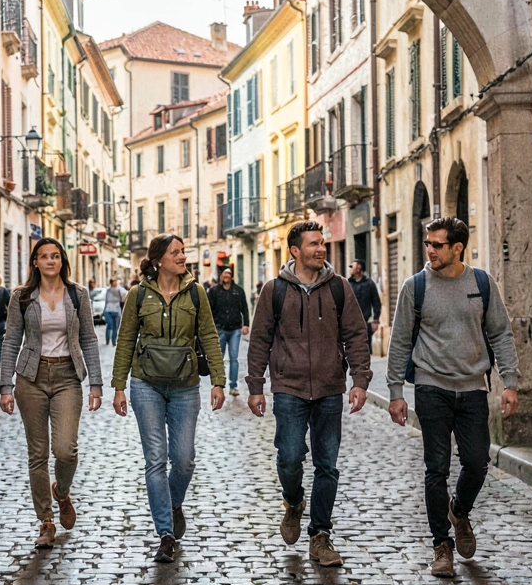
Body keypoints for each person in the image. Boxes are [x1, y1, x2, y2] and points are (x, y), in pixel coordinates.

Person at [385, 217, 519, 578]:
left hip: (474, 387)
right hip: (431, 388)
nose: (430, 250)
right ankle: (441, 545)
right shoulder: (416, 287)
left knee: (477, 462)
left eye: (437, 244)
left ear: (457, 247)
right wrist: (396, 391)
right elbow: (399, 342)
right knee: (436, 469)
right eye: (427, 243)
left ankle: (458, 512)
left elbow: (501, 333)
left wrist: (510, 380)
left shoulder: (481, 283)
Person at [246, 222, 372, 567]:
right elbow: (259, 340)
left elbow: (356, 335)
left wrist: (360, 380)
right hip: (289, 387)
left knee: (327, 465)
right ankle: (294, 500)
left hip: (330, 388)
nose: (321, 249)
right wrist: (255, 386)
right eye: (314, 244)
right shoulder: (274, 290)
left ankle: (320, 536)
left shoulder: (339, 288)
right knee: (288, 457)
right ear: (295, 251)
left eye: (323, 243)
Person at [112, 233, 225, 563]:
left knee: (185, 457)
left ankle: (174, 502)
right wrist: (119, 386)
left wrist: (218, 381)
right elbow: (125, 341)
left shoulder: (196, 293)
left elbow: (209, 337)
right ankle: (165, 533)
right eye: (176, 252)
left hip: (186, 386)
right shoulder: (137, 295)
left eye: (183, 252)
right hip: (145, 384)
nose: (183, 257)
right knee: (156, 460)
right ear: (159, 259)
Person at [0, 238, 104, 549]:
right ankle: (46, 520)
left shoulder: (77, 294)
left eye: (55, 256)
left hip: (67, 377)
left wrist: (95, 383)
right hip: (31, 378)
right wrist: (5, 386)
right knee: (38, 454)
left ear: (62, 261)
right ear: (35, 262)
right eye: (44, 256)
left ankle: (62, 492)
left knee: (66, 450)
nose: (50, 261)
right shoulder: (22, 296)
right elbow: (10, 340)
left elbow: (89, 338)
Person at [206, 267, 250, 397]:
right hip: (220, 329)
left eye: (229, 274)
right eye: (225, 274)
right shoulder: (214, 291)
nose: (226, 276)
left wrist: (246, 324)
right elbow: (208, 310)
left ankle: (233, 385)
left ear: (232, 277)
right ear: (221, 276)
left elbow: (245, 308)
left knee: (234, 358)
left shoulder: (238, 291)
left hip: (235, 329)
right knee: (218, 359)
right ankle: (218, 384)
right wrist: (211, 325)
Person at [347, 261, 383, 342]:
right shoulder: (348, 283)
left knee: (365, 348)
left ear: (359, 269)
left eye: (352, 267)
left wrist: (376, 320)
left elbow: (376, 302)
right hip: (350, 323)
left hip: (365, 322)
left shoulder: (369, 283)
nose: (350, 269)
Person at [103, 277, 126, 346]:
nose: (115, 283)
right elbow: (106, 301)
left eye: (115, 281)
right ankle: (107, 340)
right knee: (109, 325)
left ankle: (113, 341)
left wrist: (123, 300)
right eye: (113, 281)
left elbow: (127, 294)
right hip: (108, 310)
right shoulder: (108, 290)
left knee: (115, 327)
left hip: (116, 310)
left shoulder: (119, 289)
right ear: (111, 283)